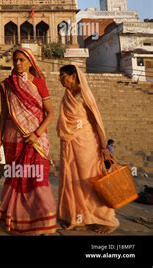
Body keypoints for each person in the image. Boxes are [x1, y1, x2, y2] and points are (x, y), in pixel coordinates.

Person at [0, 48, 58, 235]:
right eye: (15, 60)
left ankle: (45, 219)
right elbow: (4, 113)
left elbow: (50, 113)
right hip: (13, 138)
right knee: (16, 178)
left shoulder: (39, 83)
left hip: (36, 139)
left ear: (30, 62)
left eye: (22, 60)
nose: (18, 63)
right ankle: (20, 221)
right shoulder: (7, 85)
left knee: (38, 178)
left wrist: (37, 134)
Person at [57, 64, 119, 234]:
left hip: (87, 145)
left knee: (90, 181)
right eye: (60, 76)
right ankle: (78, 218)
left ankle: (107, 219)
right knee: (71, 180)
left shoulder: (84, 95)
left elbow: (97, 122)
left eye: (63, 76)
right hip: (70, 145)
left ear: (73, 76)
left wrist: (104, 146)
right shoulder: (67, 96)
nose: (60, 79)